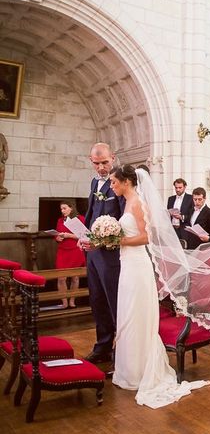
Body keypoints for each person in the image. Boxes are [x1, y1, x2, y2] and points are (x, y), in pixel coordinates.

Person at [109, 165, 210, 408]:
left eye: (114, 182)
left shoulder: (137, 202)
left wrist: (117, 240)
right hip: (128, 263)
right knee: (128, 313)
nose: (112, 186)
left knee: (136, 314)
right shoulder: (127, 200)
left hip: (137, 263)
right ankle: (128, 369)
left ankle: (140, 370)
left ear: (126, 181)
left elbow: (146, 237)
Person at [81, 142, 125, 365]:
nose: (101, 168)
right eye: (97, 163)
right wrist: (83, 235)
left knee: (114, 302)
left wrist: (103, 240)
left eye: (105, 162)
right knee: (97, 301)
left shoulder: (119, 183)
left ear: (113, 158)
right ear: (91, 162)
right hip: (93, 254)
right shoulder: (93, 183)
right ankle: (103, 347)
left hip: (111, 255)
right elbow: (91, 214)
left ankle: (123, 349)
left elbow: (125, 222)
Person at [54, 200, 86, 308]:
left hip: (75, 250)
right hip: (63, 250)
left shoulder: (80, 219)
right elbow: (57, 234)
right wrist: (58, 238)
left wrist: (68, 235)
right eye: (61, 209)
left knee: (75, 277)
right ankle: (64, 302)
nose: (62, 211)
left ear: (71, 208)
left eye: (64, 208)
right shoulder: (60, 220)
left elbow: (85, 236)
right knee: (61, 278)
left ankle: (72, 301)